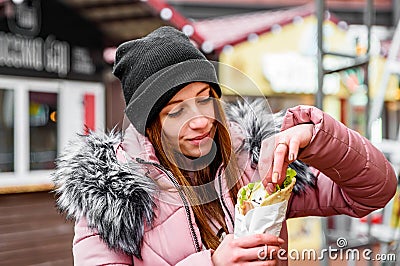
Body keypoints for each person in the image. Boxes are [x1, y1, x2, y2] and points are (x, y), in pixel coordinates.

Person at [52, 26, 397, 266]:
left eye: (205, 100)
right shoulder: (112, 201)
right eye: (176, 111)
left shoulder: (254, 159)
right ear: (150, 125)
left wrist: (316, 137)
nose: (200, 120)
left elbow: (372, 192)